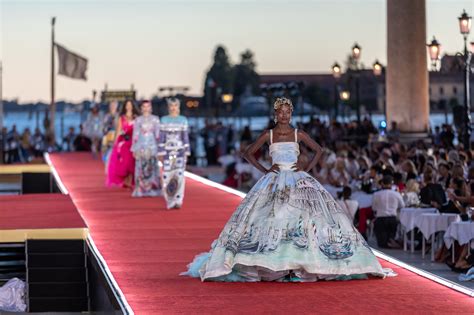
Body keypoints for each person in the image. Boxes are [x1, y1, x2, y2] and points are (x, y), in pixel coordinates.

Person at [182, 97, 391, 282]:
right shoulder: (269, 135)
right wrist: (265, 170)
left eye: (288, 111)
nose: (284, 115)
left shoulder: (298, 134)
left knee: (307, 219)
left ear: (291, 114)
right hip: (274, 179)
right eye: (281, 112)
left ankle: (302, 263)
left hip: (297, 179)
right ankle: (274, 264)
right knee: (270, 218)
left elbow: (318, 150)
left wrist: (306, 169)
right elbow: (248, 152)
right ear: (275, 114)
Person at [158, 98, 191, 209]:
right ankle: (170, 200)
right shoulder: (164, 120)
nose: (173, 108)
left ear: (179, 107)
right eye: (171, 105)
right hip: (167, 152)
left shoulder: (183, 120)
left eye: (175, 105)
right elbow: (161, 138)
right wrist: (160, 152)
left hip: (180, 152)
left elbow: (185, 137)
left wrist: (187, 152)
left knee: (180, 176)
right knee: (167, 176)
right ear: (168, 107)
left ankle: (178, 200)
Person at [131, 100, 161, 197]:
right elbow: (135, 136)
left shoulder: (155, 119)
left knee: (152, 167)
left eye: (148, 106)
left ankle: (152, 188)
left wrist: (160, 149)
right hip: (141, 146)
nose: (146, 108)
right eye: (144, 106)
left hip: (152, 146)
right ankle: (140, 189)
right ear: (141, 108)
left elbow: (158, 135)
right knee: (140, 167)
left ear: (151, 108)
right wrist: (134, 149)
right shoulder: (138, 120)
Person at [106, 100, 138, 188]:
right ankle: (126, 181)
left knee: (132, 162)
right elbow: (118, 131)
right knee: (125, 161)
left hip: (134, 142)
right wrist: (115, 144)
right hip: (125, 141)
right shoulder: (122, 118)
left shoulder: (136, 118)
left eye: (130, 105)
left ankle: (131, 181)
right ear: (125, 106)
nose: (128, 106)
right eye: (127, 105)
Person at [372, 175, 405, 249]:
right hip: (392, 220)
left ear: (382, 184)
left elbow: (374, 208)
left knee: (382, 244)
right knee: (388, 242)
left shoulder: (376, 194)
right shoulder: (396, 194)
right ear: (392, 184)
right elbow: (402, 206)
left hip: (380, 220)